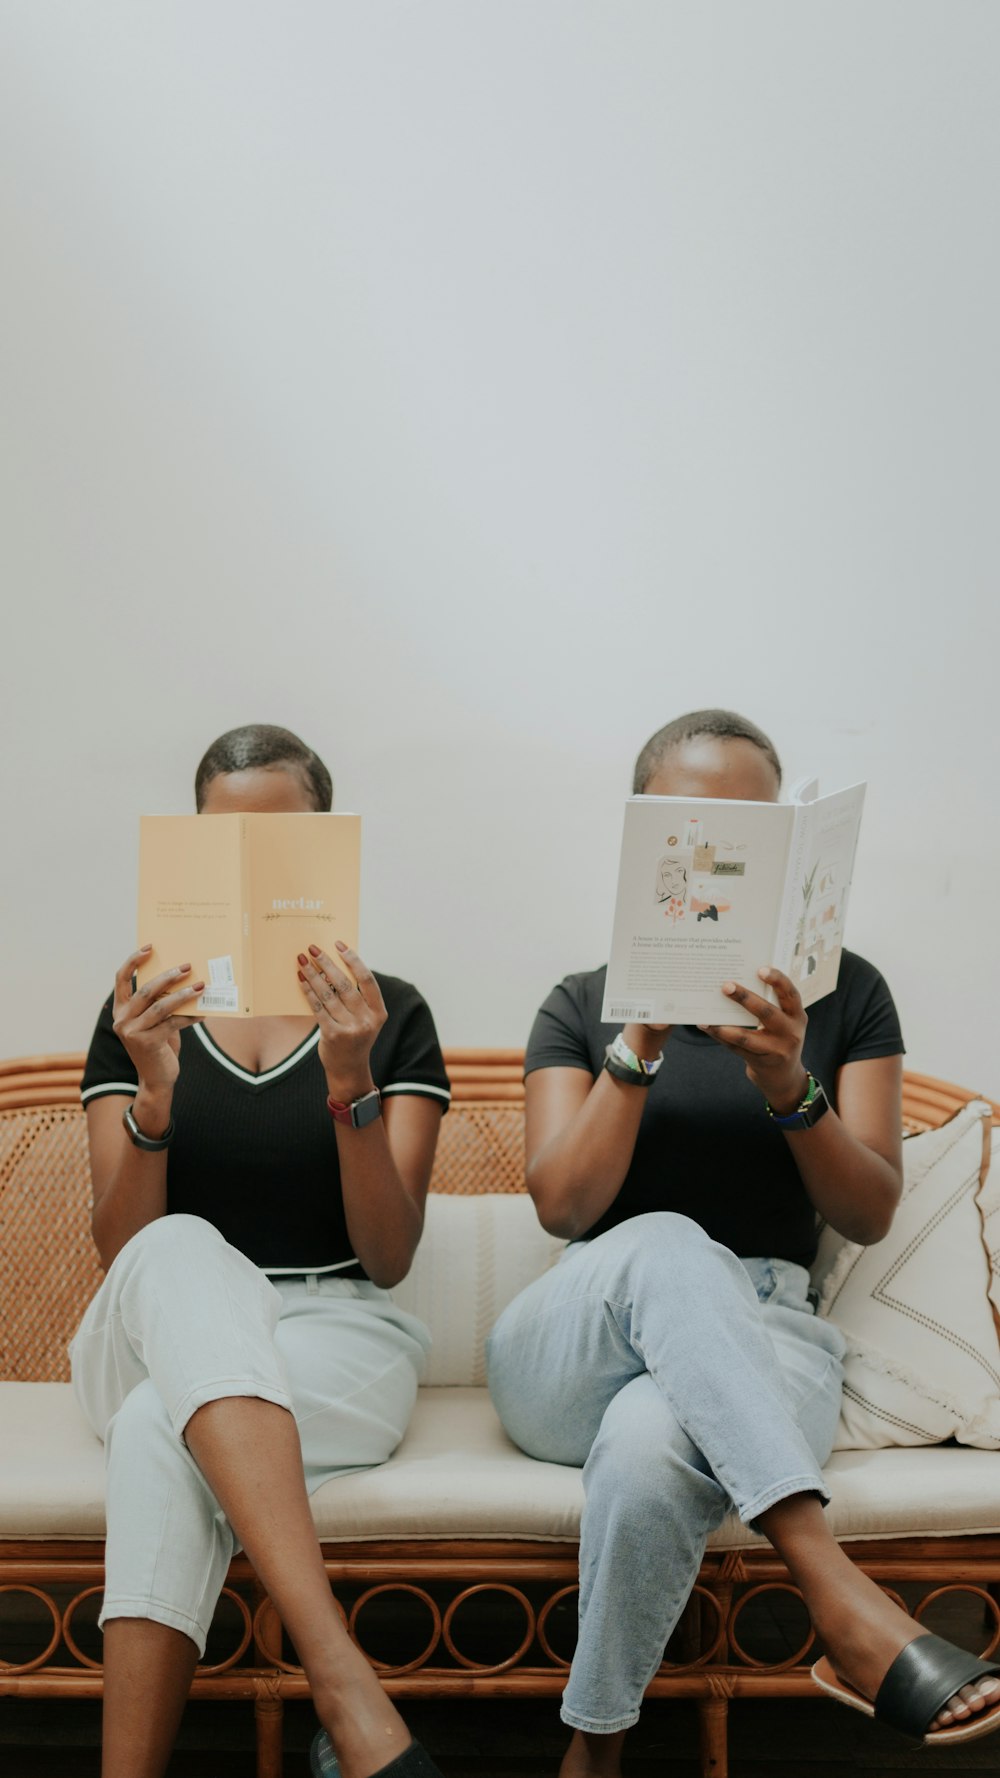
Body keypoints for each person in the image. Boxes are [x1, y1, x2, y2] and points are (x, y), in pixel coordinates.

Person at [486, 709, 1000, 1775]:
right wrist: (638, 1041)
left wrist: (788, 1084)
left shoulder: (841, 993)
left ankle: (593, 1748)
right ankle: (835, 1590)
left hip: (764, 1330)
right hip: (580, 1329)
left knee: (647, 1442)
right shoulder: (579, 1004)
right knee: (666, 1238)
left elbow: (864, 1211)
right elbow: (564, 1206)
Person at [73, 724, 449, 1778]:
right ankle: (338, 1666)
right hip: (150, 1327)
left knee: (163, 1428)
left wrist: (350, 1076)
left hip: (335, 1328)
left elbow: (385, 1252)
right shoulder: (140, 1011)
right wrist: (153, 1092)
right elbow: (125, 1251)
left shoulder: (389, 1014)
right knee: (184, 1248)